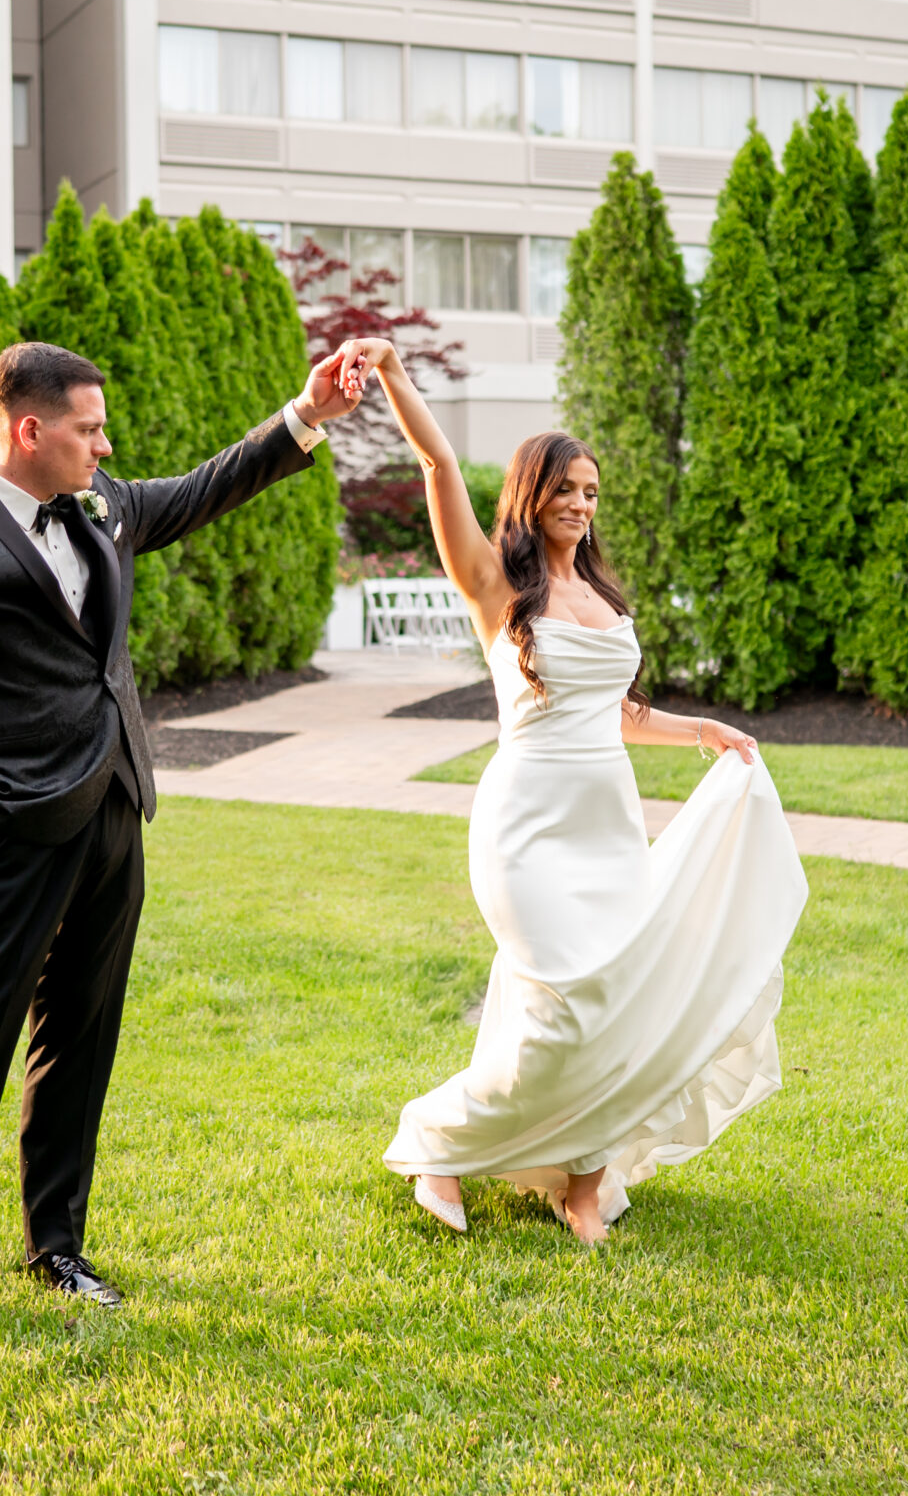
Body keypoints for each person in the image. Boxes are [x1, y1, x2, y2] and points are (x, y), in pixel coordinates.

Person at [0, 338, 365, 1345]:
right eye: (87, 427)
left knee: (80, 1037)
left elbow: (203, 488)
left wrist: (304, 416)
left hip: (113, 812)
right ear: (27, 430)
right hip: (9, 830)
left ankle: (56, 1246)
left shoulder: (103, 506)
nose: (104, 442)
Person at [346, 337, 808, 1246]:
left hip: (606, 826)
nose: (581, 505)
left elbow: (618, 712)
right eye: (565, 490)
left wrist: (700, 730)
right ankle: (440, 1141)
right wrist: (395, 376)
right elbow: (439, 462)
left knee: (622, 1002)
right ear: (533, 493)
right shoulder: (496, 587)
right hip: (526, 829)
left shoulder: (601, 595)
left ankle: (583, 1184)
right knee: (561, 1008)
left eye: (591, 493)